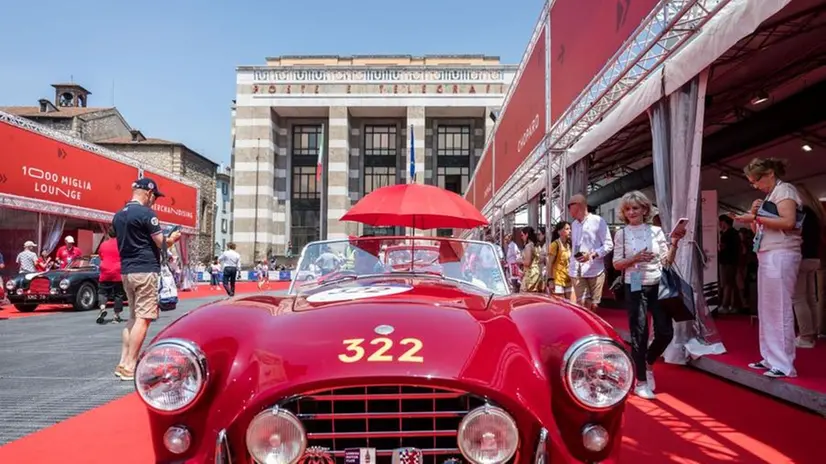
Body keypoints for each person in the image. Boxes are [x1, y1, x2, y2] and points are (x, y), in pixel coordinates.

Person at [733, 158, 803, 378]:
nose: (755, 185)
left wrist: (755, 217)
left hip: (782, 253)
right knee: (767, 309)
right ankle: (770, 357)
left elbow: (789, 222)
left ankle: (783, 363)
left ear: (770, 173)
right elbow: (760, 232)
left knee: (779, 308)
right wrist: (755, 218)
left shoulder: (786, 191)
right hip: (767, 253)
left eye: (756, 180)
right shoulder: (770, 196)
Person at [612, 190, 685, 400]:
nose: (632, 212)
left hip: (658, 283)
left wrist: (675, 243)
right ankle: (641, 382)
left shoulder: (656, 231)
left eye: (636, 208)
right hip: (634, 284)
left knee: (665, 332)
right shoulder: (621, 234)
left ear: (645, 209)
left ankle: (649, 361)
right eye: (628, 209)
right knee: (639, 333)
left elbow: (667, 261)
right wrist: (635, 258)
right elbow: (617, 264)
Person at [112, 178, 181, 381]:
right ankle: (131, 365)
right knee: (145, 317)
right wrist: (173, 238)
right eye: (155, 197)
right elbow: (161, 242)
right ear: (148, 193)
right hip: (145, 270)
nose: (154, 201)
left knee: (133, 317)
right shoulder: (147, 214)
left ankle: (123, 362)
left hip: (127, 270)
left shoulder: (118, 215)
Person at [791, 183, 825, 348]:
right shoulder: (816, 213)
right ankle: (812, 333)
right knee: (811, 297)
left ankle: (805, 336)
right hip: (814, 258)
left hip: (801, 257)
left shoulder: (800, 213)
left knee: (798, 298)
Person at [568, 193, 614, 311]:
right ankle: (585, 328)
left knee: (593, 305)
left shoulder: (598, 221)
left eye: (569, 205)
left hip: (595, 270)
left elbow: (609, 244)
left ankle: (592, 327)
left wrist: (593, 254)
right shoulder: (573, 224)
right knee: (583, 303)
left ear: (578, 206)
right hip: (576, 269)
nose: (568, 209)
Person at [95, 227, 125, 324]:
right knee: (118, 294)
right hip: (117, 271)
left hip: (105, 270)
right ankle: (116, 316)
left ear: (108, 234)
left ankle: (103, 308)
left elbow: (101, 256)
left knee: (103, 292)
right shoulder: (121, 244)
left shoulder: (103, 244)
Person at [718, 214, 742, 313]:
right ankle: (735, 305)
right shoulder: (733, 233)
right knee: (731, 283)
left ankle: (725, 305)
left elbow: (723, 248)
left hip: (728, 262)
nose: (719, 224)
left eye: (720, 222)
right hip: (731, 261)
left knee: (727, 283)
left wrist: (719, 247)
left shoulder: (729, 234)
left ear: (724, 222)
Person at [547, 221, 573, 299]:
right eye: (567, 229)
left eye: (570, 229)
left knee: (570, 305)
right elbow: (549, 263)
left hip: (568, 279)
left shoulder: (569, 245)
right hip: (557, 280)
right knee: (560, 304)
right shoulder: (555, 245)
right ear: (559, 231)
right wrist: (550, 280)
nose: (570, 231)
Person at [519, 226, 544, 293]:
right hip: (537, 272)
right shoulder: (537, 245)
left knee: (524, 294)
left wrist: (520, 261)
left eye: (522, 235)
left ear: (526, 234)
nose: (521, 237)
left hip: (530, 274)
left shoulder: (528, 246)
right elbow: (541, 259)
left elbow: (527, 263)